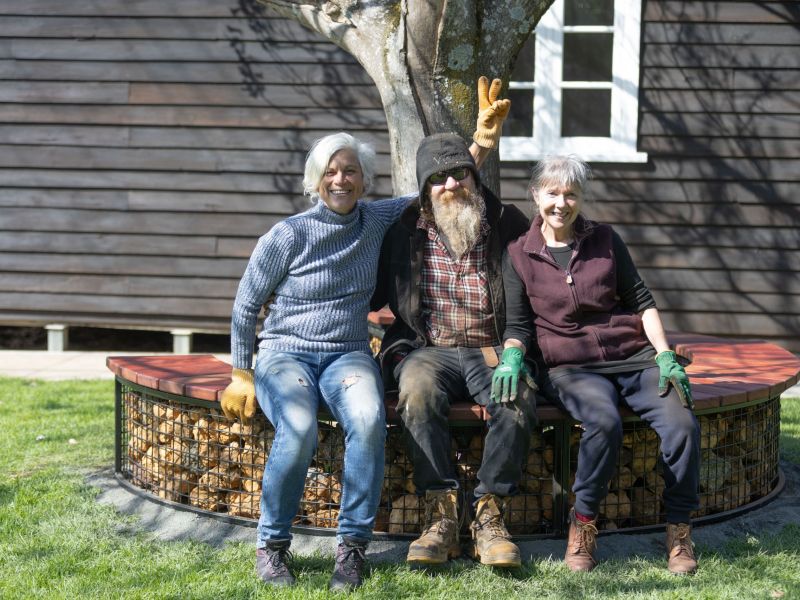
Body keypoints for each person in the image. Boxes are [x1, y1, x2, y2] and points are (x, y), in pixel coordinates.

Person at [219, 78, 508, 590]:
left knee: (370, 421)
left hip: (348, 356)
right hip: (285, 355)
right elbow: (245, 305)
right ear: (316, 179)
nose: (341, 179)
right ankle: (272, 545)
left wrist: (479, 145)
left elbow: (440, 185)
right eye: (331, 171)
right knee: (299, 428)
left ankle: (352, 548)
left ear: (363, 179)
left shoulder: (375, 220)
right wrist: (242, 372)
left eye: (350, 170)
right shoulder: (287, 234)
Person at [502, 155, 700, 575]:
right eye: (552, 193)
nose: (561, 203)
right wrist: (512, 356)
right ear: (536, 195)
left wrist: (664, 354)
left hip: (632, 357)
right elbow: (518, 324)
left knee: (682, 423)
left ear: (581, 198)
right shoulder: (518, 253)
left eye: (571, 194)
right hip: (571, 367)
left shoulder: (605, 239)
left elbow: (642, 301)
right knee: (603, 422)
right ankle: (583, 526)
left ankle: (680, 530)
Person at [371, 79, 536, 569]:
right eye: (438, 179)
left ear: (474, 177)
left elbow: (538, 280)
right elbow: (365, 290)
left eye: (460, 174)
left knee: (517, 396)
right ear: (425, 190)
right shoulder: (403, 232)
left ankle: (489, 512)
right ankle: (440, 511)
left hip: (490, 346)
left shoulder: (505, 222)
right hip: (430, 348)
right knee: (416, 392)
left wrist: (516, 350)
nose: (450, 185)